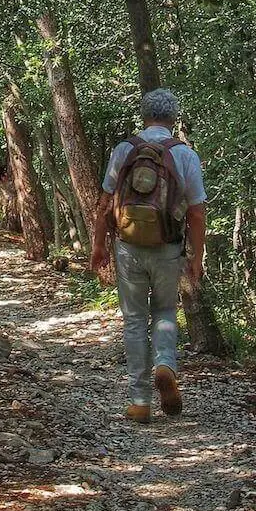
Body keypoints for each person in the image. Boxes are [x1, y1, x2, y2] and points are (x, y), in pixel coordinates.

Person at [90, 88, 207, 424]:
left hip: (127, 246)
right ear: (174, 118)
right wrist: (196, 256)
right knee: (166, 310)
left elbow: (104, 203)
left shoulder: (125, 149)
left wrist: (98, 246)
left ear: (144, 116)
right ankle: (166, 365)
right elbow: (197, 213)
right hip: (168, 248)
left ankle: (140, 401)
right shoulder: (185, 155)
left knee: (135, 321)